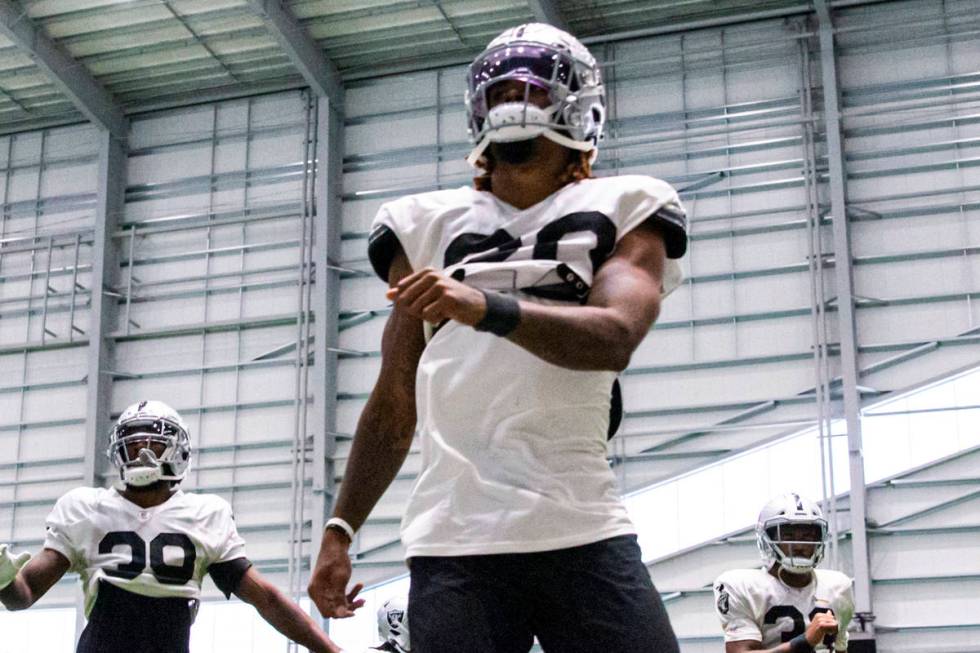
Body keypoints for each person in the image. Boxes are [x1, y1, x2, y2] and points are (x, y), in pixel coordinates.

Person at [308, 22, 687, 653]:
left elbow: (615, 336)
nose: (515, 101)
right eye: (502, 88)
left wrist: (484, 305)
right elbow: (396, 396)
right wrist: (341, 528)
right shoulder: (423, 223)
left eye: (534, 89)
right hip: (457, 539)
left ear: (580, 105)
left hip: (580, 523)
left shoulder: (631, 203)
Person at [0, 400, 348, 653]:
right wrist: (2, 577)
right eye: (133, 442)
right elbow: (23, 595)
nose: (141, 452)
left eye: (152, 442)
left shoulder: (204, 513)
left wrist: (330, 650)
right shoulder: (86, 508)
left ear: (177, 451)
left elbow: (267, 599)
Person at [713, 493, 855, 652]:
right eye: (788, 536)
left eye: (807, 537)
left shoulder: (838, 586)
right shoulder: (741, 586)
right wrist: (805, 641)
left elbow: (840, 648)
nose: (799, 546)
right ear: (767, 539)